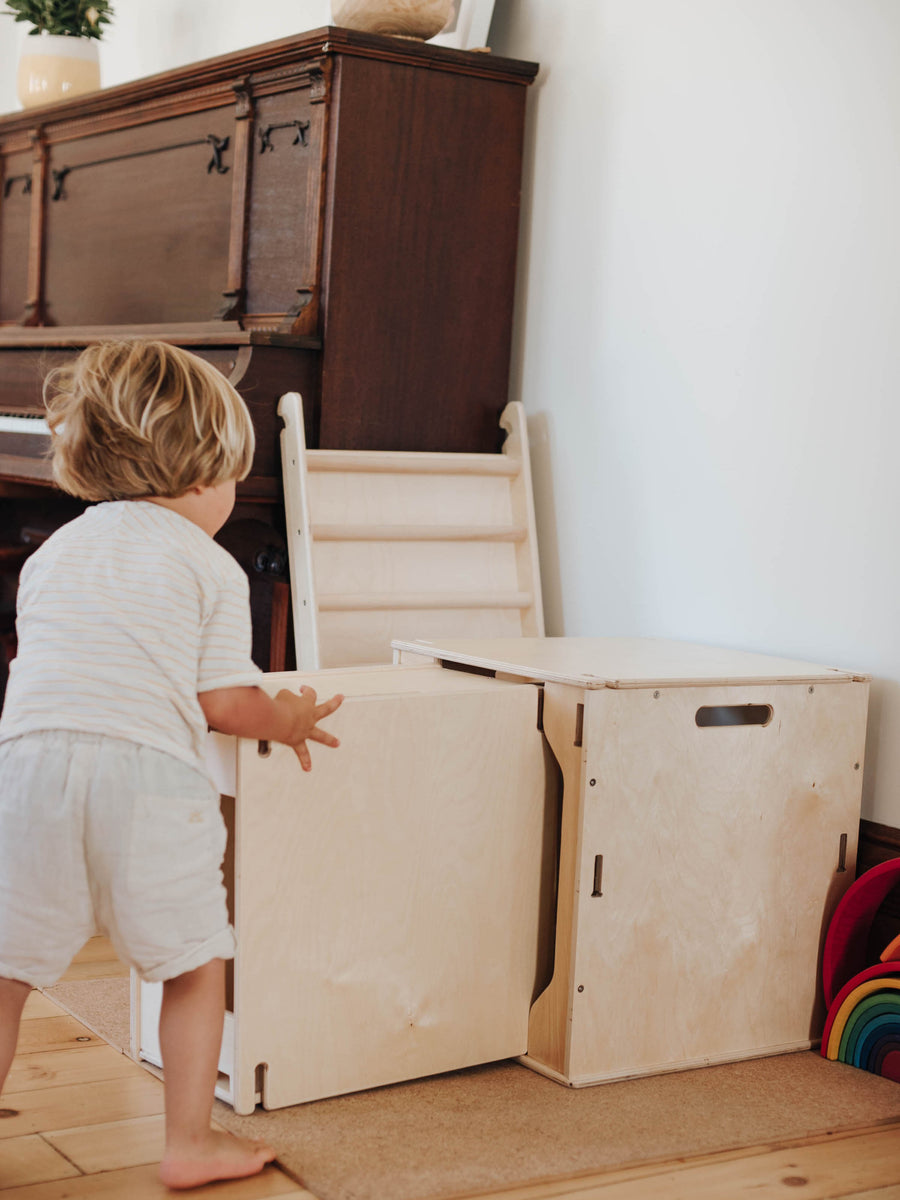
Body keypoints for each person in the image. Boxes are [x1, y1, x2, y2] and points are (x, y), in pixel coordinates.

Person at [0, 340, 343, 1189]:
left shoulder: (51, 556)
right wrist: (291, 715)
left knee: (5, 969)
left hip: (26, 775)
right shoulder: (209, 567)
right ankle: (189, 1139)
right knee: (194, 960)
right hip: (146, 785)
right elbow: (226, 704)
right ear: (200, 479)